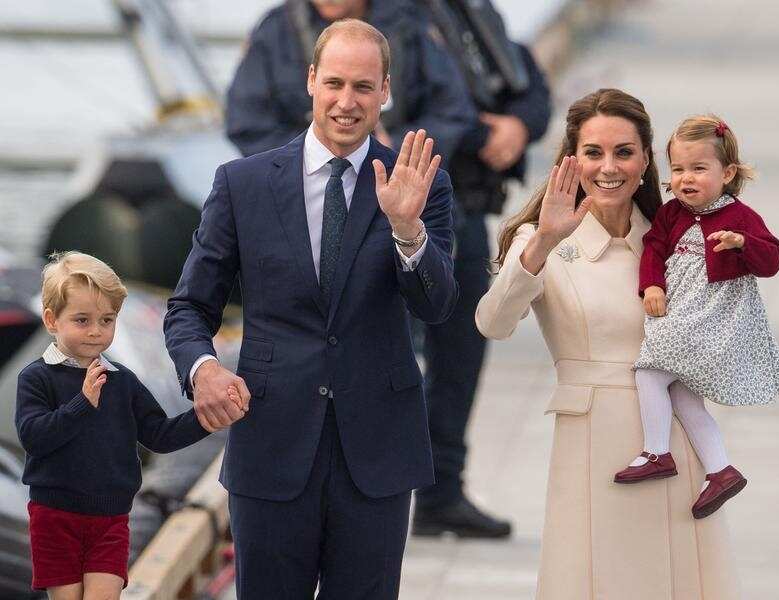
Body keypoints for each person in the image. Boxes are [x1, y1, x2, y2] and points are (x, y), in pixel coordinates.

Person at [164, 19, 458, 599]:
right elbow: (189, 308)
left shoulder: (421, 184)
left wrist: (407, 229)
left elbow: (437, 305)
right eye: (335, 84)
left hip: (377, 452)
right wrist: (204, 369)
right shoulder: (242, 184)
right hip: (270, 445)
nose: (347, 102)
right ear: (311, 81)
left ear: (385, 91)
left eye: (364, 87)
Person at [476, 89, 740, 598]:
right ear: (572, 160)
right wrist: (543, 242)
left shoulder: (676, 237)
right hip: (592, 443)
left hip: (675, 440)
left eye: (624, 152)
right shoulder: (543, 238)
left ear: (646, 161)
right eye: (593, 152)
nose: (609, 168)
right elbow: (492, 323)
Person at [412, 0, 551, 539]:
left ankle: (440, 493)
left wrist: (518, 124)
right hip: (386, 212)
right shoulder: (372, 20)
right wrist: (475, 134)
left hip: (462, 210)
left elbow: (524, 79)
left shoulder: (468, 11)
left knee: (460, 356)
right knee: (381, 360)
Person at [614, 115, 779, 518]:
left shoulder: (740, 216)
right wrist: (652, 286)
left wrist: (742, 243)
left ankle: (656, 452)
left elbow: (772, 259)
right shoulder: (671, 214)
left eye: (698, 168)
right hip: (680, 312)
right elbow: (653, 250)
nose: (686, 179)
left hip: (709, 321)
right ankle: (720, 470)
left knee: (650, 372)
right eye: (678, 169)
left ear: (726, 173)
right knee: (682, 395)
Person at [15, 251, 218, 600]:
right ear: (52, 320)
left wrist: (206, 419)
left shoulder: (122, 381)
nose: (96, 331)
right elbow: (34, 438)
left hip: (110, 518)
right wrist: (82, 403)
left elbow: (158, 434)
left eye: (107, 320)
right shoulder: (35, 378)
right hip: (55, 517)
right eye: (82, 320)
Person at [225, 0, 474, 163]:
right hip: (302, 195)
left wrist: (392, 149)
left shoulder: (411, 24)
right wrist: (316, 156)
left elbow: (452, 112)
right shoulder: (274, 32)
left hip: (399, 184)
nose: (345, 102)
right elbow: (247, 123)